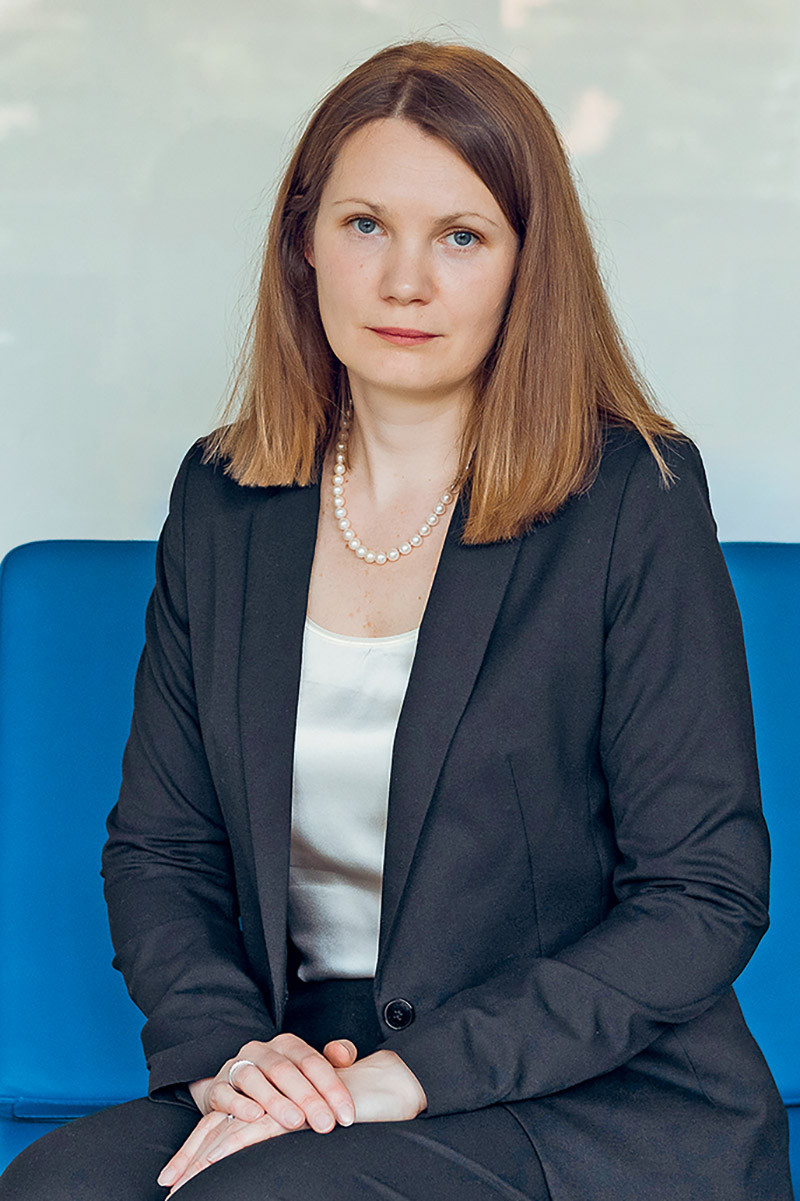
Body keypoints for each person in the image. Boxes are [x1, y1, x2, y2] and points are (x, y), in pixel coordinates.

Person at [0, 37, 792, 1201]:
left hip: (582, 1096)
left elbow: (702, 893)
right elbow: (162, 851)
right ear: (304, 243)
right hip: (308, 1061)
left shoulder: (632, 496)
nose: (403, 282)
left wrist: (405, 1076)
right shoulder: (224, 500)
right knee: (58, 1183)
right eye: (365, 225)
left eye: (460, 236)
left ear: (525, 266)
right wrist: (237, 1057)